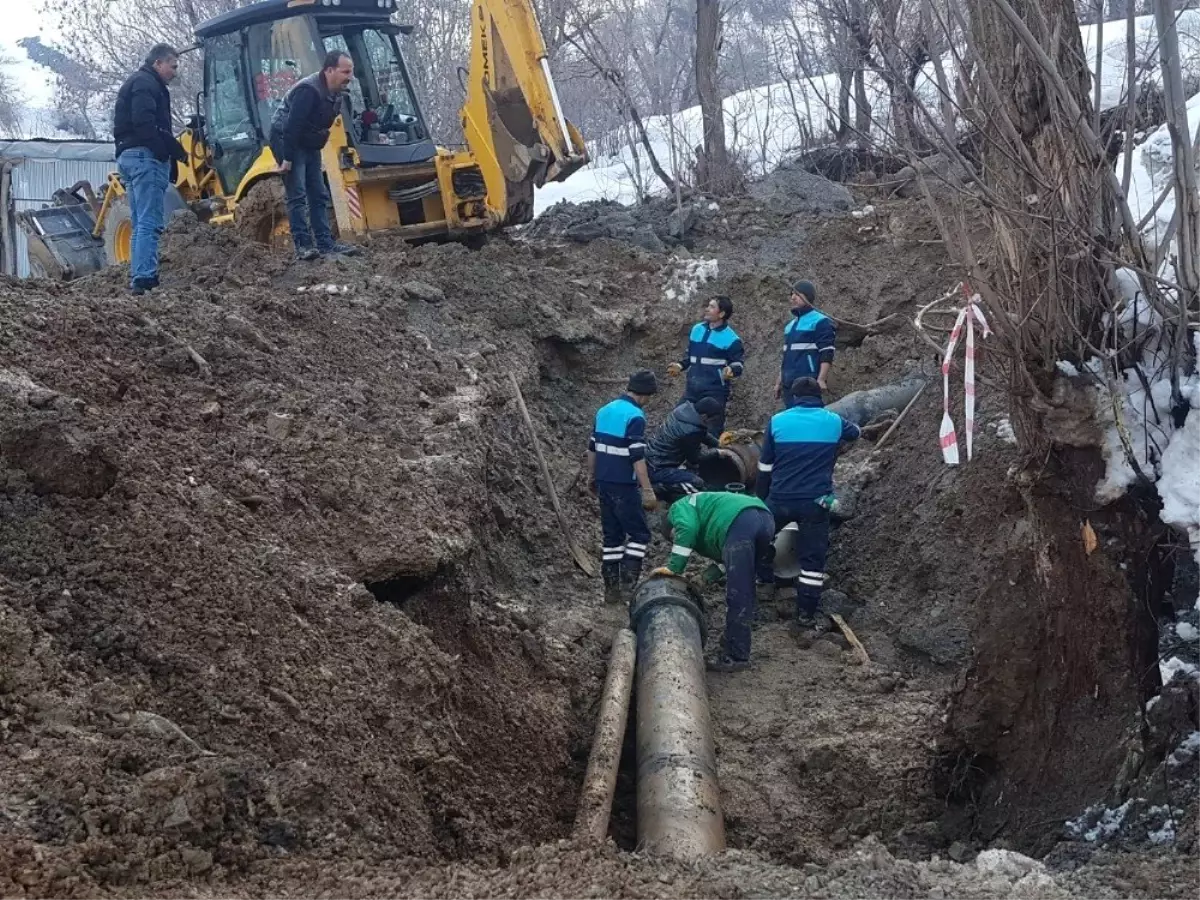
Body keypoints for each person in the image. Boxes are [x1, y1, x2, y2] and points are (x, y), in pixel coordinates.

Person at [756, 377, 865, 627]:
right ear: (819, 398)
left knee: (761, 538)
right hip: (817, 501)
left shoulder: (778, 421)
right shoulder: (833, 421)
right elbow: (856, 433)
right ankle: (805, 613)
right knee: (813, 561)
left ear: (794, 398)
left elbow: (764, 466)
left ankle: (764, 583)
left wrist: (760, 499)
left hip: (780, 497)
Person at [652, 492, 775, 672]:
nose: (678, 539)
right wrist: (705, 577)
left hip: (740, 521)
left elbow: (687, 529)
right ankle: (733, 638)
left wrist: (674, 568)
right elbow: (727, 560)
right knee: (743, 582)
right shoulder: (711, 520)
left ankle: (736, 656)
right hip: (764, 519)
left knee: (738, 592)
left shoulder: (678, 508)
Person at [269, 51, 362, 261]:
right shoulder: (308, 91)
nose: (350, 76)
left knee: (318, 193)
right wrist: (287, 159)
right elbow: (292, 126)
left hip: (309, 139)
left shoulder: (338, 93)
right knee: (298, 193)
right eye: (345, 71)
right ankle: (303, 246)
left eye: (351, 71)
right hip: (287, 138)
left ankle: (325, 244)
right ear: (329, 70)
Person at [112, 43, 188, 295]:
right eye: (172, 66)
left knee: (139, 221)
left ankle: (139, 276)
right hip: (145, 158)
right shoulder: (147, 84)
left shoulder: (138, 82)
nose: (175, 72)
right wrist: (164, 150)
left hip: (128, 157)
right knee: (150, 222)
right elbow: (145, 123)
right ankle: (144, 278)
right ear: (158, 63)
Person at [589, 369, 660, 603]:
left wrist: (592, 476)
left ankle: (611, 590)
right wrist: (647, 489)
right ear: (644, 394)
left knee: (612, 537)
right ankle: (629, 588)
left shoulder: (604, 410)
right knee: (639, 535)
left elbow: (592, 449)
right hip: (624, 486)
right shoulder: (635, 416)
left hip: (603, 481)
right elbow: (637, 457)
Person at [667, 296, 744, 437]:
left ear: (721, 314)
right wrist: (680, 365)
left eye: (712, 307)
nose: (707, 309)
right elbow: (691, 357)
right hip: (692, 389)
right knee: (676, 421)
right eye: (708, 305)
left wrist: (732, 370)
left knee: (713, 430)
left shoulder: (732, 339)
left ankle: (712, 456)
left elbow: (738, 363)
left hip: (715, 391)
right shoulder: (697, 329)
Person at [644, 397, 738, 501]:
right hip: (659, 467)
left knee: (692, 469)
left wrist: (717, 443)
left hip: (651, 458)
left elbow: (702, 433)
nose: (712, 423)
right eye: (712, 420)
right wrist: (717, 452)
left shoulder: (684, 412)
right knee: (697, 484)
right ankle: (659, 488)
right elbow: (695, 458)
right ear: (704, 417)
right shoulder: (690, 432)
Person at [775, 280, 836, 407]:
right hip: (788, 384)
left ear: (808, 296)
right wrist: (779, 382)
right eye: (791, 294)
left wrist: (821, 379)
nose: (792, 297)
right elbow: (786, 357)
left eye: (797, 294)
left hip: (808, 383)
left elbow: (827, 351)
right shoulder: (790, 326)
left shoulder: (820, 321)